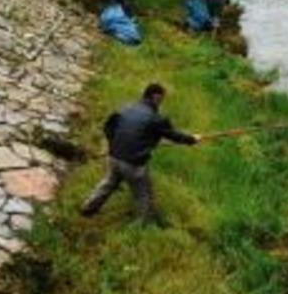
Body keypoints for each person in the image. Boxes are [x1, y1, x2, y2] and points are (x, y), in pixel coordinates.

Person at [80, 84, 199, 223]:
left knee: (109, 183)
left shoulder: (125, 108)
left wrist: (114, 145)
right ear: (156, 97)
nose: (162, 103)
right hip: (133, 164)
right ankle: (143, 225)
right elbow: (173, 135)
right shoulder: (156, 119)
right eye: (162, 99)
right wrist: (192, 139)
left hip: (114, 157)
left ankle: (88, 208)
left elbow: (108, 127)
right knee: (144, 194)